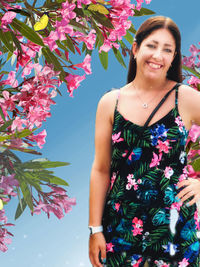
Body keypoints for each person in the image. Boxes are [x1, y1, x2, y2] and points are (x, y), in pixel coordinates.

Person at [88, 15, 200, 267]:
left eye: (167, 50)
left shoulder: (186, 98)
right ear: (136, 48)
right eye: (152, 45)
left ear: (173, 58)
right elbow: (101, 168)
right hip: (120, 232)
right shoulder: (110, 102)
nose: (158, 55)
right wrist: (95, 229)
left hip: (176, 233)